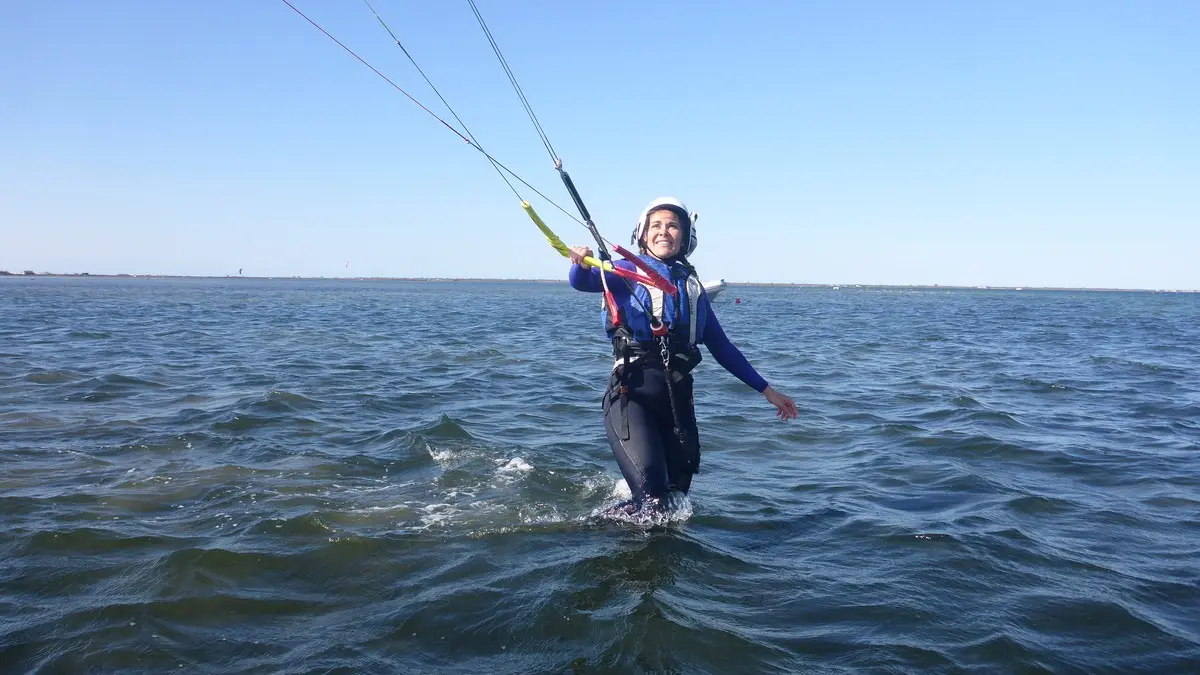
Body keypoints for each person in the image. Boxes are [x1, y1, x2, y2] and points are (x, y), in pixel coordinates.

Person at [568, 197, 798, 516]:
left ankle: (617, 518)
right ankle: (586, 531)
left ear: (686, 238)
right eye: (656, 225)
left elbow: (722, 347)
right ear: (642, 234)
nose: (664, 231)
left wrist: (768, 391)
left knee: (676, 501)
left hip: (677, 401)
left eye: (673, 226)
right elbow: (583, 282)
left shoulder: (692, 288)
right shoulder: (625, 270)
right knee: (654, 499)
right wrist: (580, 263)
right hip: (631, 396)